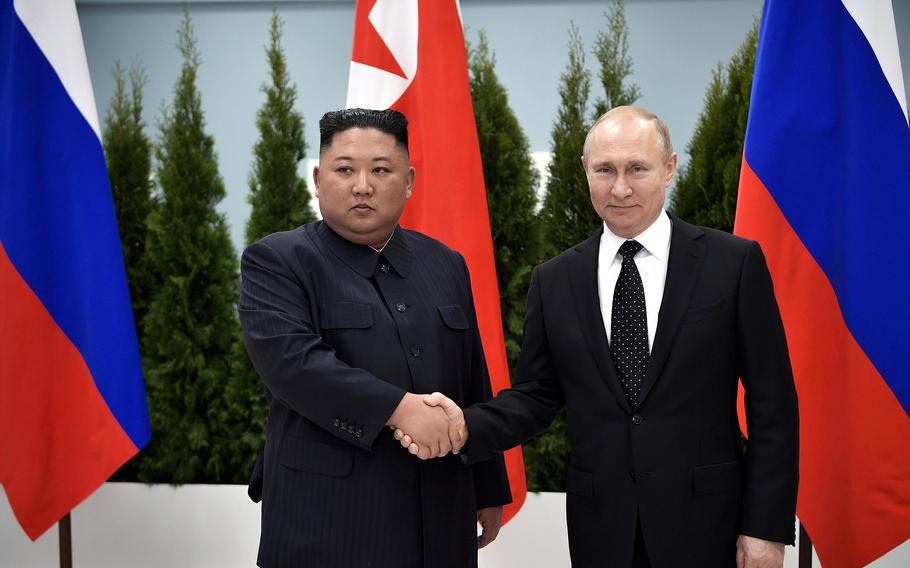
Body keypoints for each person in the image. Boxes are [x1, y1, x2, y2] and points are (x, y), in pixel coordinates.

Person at [396, 106, 799, 568]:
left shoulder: (734, 264)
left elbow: (773, 406)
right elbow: (536, 397)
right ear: (586, 170)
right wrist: (466, 426)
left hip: (710, 525)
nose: (621, 187)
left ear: (669, 169)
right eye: (606, 169)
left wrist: (765, 527)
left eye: (637, 169)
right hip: (602, 528)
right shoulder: (554, 279)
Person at [239, 108, 511, 568]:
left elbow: (472, 377)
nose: (362, 184)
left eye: (381, 170)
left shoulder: (446, 264)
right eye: (345, 169)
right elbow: (295, 366)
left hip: (440, 515)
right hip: (326, 521)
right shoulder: (278, 260)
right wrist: (400, 409)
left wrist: (488, 484)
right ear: (318, 177)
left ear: (408, 181)